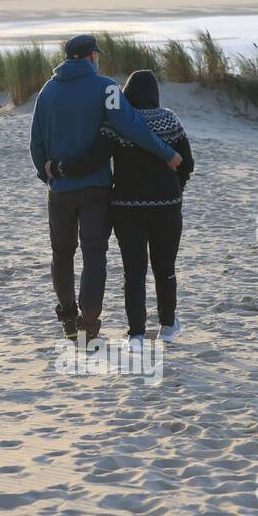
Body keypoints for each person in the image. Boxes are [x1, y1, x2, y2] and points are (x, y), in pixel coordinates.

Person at [29, 35, 181, 344]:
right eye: (96, 55)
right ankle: (89, 320)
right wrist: (166, 153)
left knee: (62, 254)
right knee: (94, 253)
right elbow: (132, 126)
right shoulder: (107, 88)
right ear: (90, 57)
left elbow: (36, 144)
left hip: (59, 191)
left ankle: (69, 318)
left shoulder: (47, 91)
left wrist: (49, 176)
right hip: (96, 189)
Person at [54, 69, 194, 348]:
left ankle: (137, 335)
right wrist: (174, 189)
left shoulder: (117, 122)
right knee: (165, 267)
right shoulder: (169, 119)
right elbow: (187, 164)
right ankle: (167, 325)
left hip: (126, 209)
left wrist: (60, 168)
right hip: (167, 208)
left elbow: (94, 160)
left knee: (135, 272)